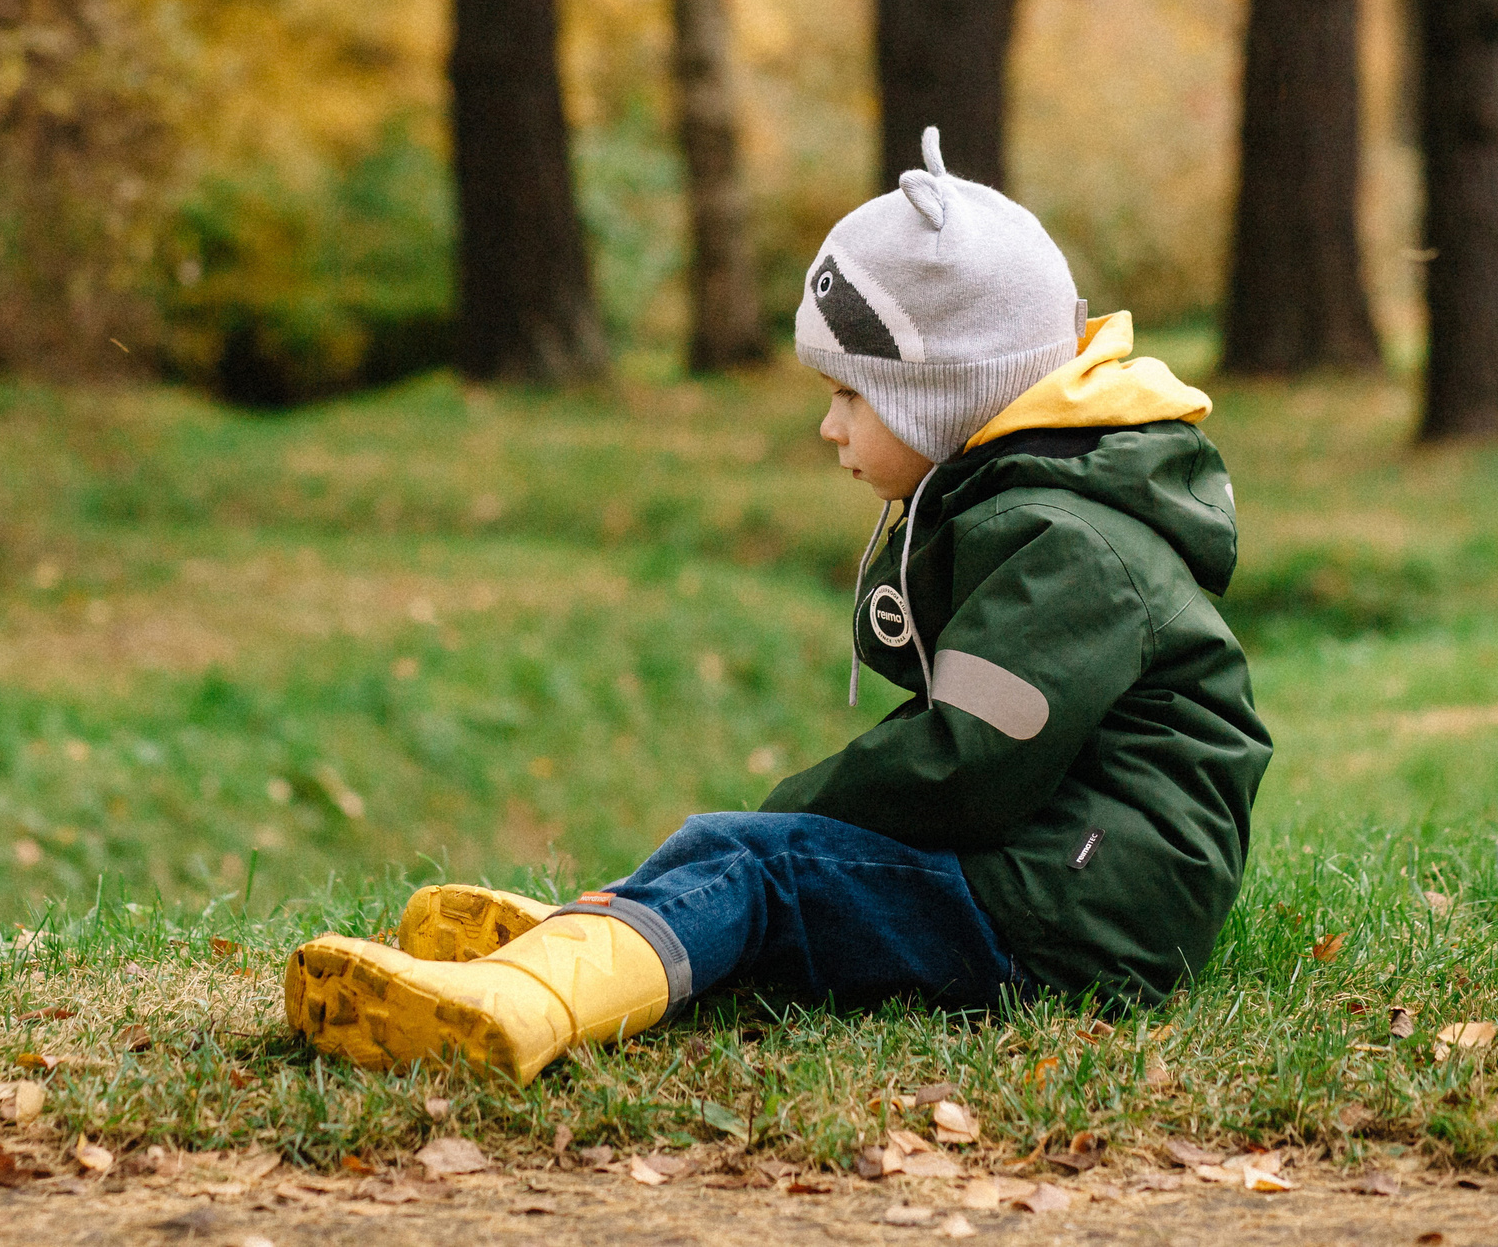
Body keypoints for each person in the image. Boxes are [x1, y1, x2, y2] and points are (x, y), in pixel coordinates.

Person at [285, 128, 1272, 1081]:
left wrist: (780, 823)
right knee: (756, 867)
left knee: (756, 865)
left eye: (852, 394)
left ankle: (529, 1000)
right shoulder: (1036, 511)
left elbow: (964, 768)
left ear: (943, 396)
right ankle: (618, 931)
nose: (827, 425)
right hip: (1070, 885)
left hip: (1075, 919)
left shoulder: (1071, 546)